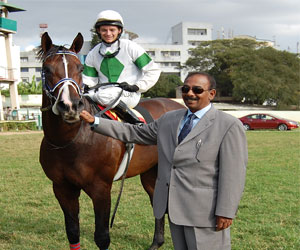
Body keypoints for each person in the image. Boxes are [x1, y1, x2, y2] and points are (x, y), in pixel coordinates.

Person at [80, 72, 248, 250]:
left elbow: (234, 174)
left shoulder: (228, 125)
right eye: (186, 89)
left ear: (211, 94)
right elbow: (136, 133)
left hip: (205, 214)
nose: (190, 94)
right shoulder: (170, 119)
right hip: (174, 210)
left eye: (197, 90)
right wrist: (96, 121)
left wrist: (226, 211)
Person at [83, 10, 161, 124]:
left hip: (128, 94)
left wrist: (137, 87)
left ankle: (136, 123)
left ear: (119, 30)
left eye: (112, 30)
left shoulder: (131, 47)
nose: (108, 33)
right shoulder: (93, 53)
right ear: (98, 31)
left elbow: (153, 70)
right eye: (104, 30)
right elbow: (89, 81)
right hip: (101, 95)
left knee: (106, 96)